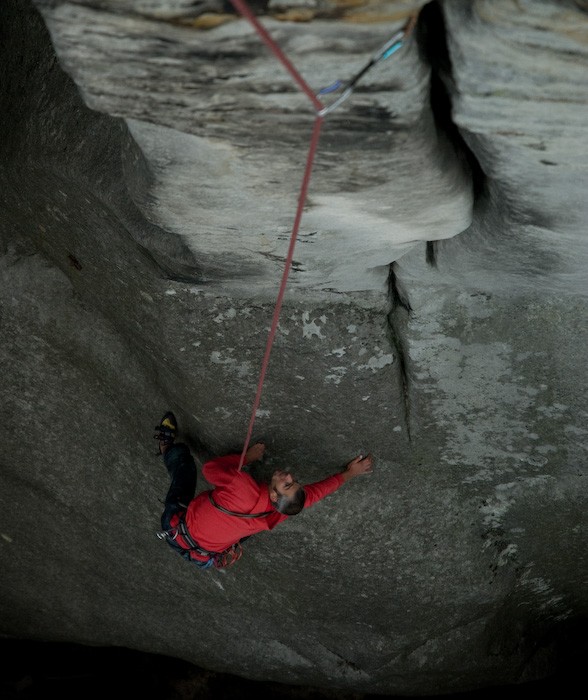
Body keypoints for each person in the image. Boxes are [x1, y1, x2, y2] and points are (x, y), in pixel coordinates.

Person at [154, 411, 374, 570]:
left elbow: (211, 470)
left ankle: (168, 448)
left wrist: (247, 457)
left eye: (287, 483)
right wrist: (350, 474)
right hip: (203, 558)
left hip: (175, 526)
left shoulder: (244, 488)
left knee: (184, 472)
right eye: (294, 480)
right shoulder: (281, 510)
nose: (288, 475)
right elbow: (314, 494)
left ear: (274, 495)